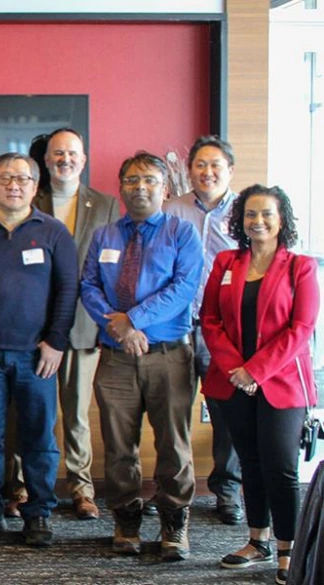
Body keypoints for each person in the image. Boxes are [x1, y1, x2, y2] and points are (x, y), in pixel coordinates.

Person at [81, 151, 203, 561]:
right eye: (132, 180)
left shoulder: (181, 234)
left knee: (174, 445)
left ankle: (173, 524)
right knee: (118, 446)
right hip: (116, 358)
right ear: (121, 189)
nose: (140, 187)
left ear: (165, 188)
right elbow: (89, 286)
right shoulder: (104, 236)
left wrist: (133, 319)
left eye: (149, 179)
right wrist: (116, 327)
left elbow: (184, 288)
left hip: (168, 355)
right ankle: (126, 520)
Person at [199, 185, 318, 584]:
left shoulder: (299, 266)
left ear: (282, 219)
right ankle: (257, 540)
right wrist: (237, 368)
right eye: (251, 214)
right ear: (241, 221)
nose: (258, 221)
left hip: (282, 381)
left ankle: (289, 548)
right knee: (249, 462)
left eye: (267, 213)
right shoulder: (226, 262)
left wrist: (257, 370)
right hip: (233, 381)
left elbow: (301, 328)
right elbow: (210, 319)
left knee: (281, 465)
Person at [0, 153, 77, 547]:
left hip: (37, 355)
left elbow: (67, 291)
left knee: (38, 438)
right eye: (5, 179)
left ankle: (39, 514)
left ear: (34, 185)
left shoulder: (54, 232)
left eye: (23, 179)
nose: (14, 185)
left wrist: (56, 342)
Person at [26, 128, 120, 521]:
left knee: (77, 414)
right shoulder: (30, 197)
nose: (65, 160)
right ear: (45, 161)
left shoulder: (107, 206)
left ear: (83, 160)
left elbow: (110, 270)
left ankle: (81, 489)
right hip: (34, 326)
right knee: (32, 413)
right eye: (57, 154)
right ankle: (25, 487)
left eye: (72, 154)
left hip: (83, 325)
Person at [163, 135, 244, 526]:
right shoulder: (172, 210)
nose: (207, 172)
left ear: (230, 170)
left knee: (227, 412)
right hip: (178, 325)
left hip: (225, 330)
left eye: (215, 165)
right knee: (172, 411)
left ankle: (227, 490)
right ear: (189, 170)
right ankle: (173, 491)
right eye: (200, 165)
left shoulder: (247, 212)